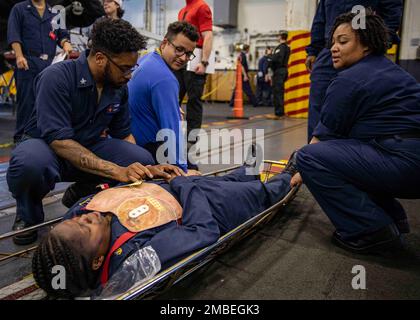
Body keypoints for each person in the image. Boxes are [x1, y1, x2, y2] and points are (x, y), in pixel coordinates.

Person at [6, 19, 179, 246]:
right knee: (29, 163)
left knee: (140, 157)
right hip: (49, 148)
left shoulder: (118, 88)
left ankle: (83, 194)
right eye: (126, 68)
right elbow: (60, 142)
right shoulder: (56, 78)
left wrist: (146, 169)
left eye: (132, 68)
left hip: (88, 147)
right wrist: (118, 171)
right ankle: (28, 216)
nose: (129, 75)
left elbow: (124, 135)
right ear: (100, 59)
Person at [32, 152, 299, 299]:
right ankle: (287, 178)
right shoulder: (135, 261)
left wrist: (154, 174)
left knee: (230, 178)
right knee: (254, 194)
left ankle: (245, 171)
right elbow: (203, 231)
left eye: (76, 219)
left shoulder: (69, 233)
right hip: (207, 207)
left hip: (170, 187)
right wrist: (181, 185)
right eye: (85, 227)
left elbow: (86, 205)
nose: (84, 217)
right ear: (96, 261)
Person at [294, 11, 420, 254]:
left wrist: (300, 169)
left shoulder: (349, 80)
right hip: (408, 160)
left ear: (366, 45)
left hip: (404, 165)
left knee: (309, 157)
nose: (333, 48)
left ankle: (371, 231)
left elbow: (319, 142)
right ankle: (393, 218)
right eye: (332, 43)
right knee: (356, 152)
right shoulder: (394, 72)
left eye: (343, 41)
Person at [305, 0, 403, 142]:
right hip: (328, 50)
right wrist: (314, 50)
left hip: (364, 48)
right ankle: (316, 154)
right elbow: (320, 19)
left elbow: (392, 12)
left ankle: (349, 153)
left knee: (359, 106)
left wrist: (375, 41)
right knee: (318, 104)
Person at [128, 21, 199, 173]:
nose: (183, 58)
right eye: (179, 50)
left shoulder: (146, 59)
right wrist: (181, 171)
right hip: (147, 150)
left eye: (188, 54)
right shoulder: (165, 79)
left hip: (129, 142)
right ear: (165, 42)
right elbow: (171, 131)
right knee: (194, 170)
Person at [7, 0, 72, 143]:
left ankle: (43, 137)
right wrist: (19, 56)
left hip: (49, 64)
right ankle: (21, 140)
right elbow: (14, 34)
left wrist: (66, 44)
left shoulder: (55, 12)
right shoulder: (19, 9)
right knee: (26, 103)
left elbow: (62, 35)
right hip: (28, 63)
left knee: (47, 103)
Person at [175, 0, 213, 146]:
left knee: (194, 100)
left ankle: (192, 139)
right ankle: (172, 132)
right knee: (174, 98)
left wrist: (204, 62)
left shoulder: (201, 7)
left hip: (196, 58)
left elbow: (208, 35)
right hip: (182, 58)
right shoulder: (182, 10)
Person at [268, 31, 290, 117]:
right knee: (279, 91)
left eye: (278, 36)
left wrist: (269, 55)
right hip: (283, 70)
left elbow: (277, 59)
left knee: (278, 92)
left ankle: (279, 112)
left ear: (280, 37)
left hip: (279, 71)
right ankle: (279, 111)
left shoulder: (281, 48)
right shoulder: (287, 47)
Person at [229, 44, 258, 108]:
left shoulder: (241, 55)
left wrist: (247, 74)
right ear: (247, 49)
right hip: (242, 75)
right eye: (249, 49)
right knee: (248, 89)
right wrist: (245, 75)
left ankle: (231, 103)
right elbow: (241, 66)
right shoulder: (243, 56)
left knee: (237, 89)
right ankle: (255, 102)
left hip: (240, 75)